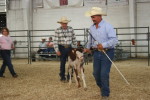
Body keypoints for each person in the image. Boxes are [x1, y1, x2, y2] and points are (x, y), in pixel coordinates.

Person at [84, 7, 118, 100]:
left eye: (94, 17)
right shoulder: (91, 28)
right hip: (96, 53)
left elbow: (114, 40)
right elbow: (90, 40)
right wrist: (87, 48)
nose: (92, 19)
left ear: (100, 16)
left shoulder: (108, 26)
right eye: (91, 17)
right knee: (95, 74)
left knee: (104, 74)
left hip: (107, 52)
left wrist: (103, 45)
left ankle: (105, 94)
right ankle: (102, 88)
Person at [53, 16, 76, 82]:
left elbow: (74, 39)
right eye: (63, 23)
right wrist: (57, 50)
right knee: (62, 63)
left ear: (67, 23)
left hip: (69, 47)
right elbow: (55, 41)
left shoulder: (71, 29)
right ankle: (62, 77)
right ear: (60, 23)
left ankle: (69, 76)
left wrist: (74, 48)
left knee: (71, 63)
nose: (64, 24)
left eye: (65, 23)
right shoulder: (57, 30)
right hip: (61, 48)